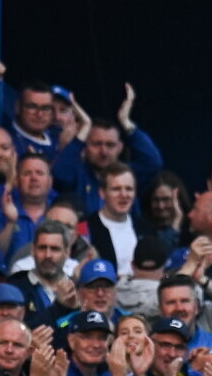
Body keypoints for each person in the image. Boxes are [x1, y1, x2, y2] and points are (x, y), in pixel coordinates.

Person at [52, 84, 164, 219]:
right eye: (97, 144)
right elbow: (59, 173)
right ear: (85, 146)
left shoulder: (126, 175)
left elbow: (153, 162)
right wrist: (82, 132)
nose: (103, 151)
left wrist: (126, 121)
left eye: (110, 145)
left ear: (120, 148)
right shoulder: (78, 173)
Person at [86, 162, 153, 276]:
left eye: (129, 189)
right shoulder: (86, 228)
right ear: (102, 193)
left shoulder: (146, 229)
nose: (124, 195)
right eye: (116, 189)